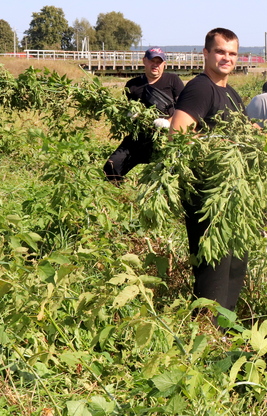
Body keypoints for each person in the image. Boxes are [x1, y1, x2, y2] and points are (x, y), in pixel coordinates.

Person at [169, 28, 247, 313]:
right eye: (220, 51)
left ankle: (225, 328)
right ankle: (206, 330)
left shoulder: (232, 94)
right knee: (213, 267)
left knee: (235, 266)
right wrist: (219, 145)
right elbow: (177, 135)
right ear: (206, 53)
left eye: (232, 53)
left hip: (232, 195)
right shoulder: (201, 88)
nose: (227, 58)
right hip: (207, 195)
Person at [103, 47, 184, 184]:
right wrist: (129, 115)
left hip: (166, 138)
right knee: (111, 167)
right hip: (139, 137)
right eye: (152, 61)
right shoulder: (132, 85)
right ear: (144, 61)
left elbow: (183, 107)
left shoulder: (173, 80)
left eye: (159, 62)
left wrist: (168, 122)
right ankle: (119, 194)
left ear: (164, 64)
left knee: (169, 176)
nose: (155, 65)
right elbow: (124, 110)